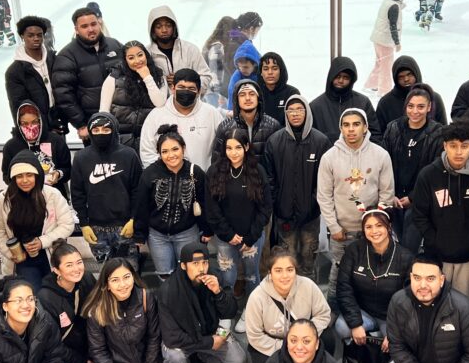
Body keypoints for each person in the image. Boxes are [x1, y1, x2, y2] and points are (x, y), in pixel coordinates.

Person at [317, 109, 395, 303]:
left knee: (369, 273)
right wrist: (334, 227)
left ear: (365, 127)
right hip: (342, 232)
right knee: (338, 272)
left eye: (356, 124)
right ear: (341, 129)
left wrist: (377, 227)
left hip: (371, 232)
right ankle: (333, 310)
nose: (351, 129)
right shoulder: (329, 158)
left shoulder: (381, 155)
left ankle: (365, 310)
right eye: (346, 125)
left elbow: (387, 194)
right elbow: (324, 196)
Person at [159, 243, 246, 363]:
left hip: (208, 333)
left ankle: (198, 357)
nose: (202, 268)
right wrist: (209, 343)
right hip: (183, 341)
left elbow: (230, 312)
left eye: (205, 262)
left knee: (238, 361)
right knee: (173, 357)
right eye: (195, 263)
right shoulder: (168, 291)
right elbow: (171, 338)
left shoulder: (213, 278)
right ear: (183, 265)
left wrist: (218, 293)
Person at [410, 119, 469, 296]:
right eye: (453, 146)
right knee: (435, 300)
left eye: (464, 146)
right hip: (437, 256)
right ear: (445, 146)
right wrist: (435, 240)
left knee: (462, 303)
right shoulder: (429, 174)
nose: (459, 152)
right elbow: (419, 214)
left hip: (468, 257)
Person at [85, 257, 170, 363]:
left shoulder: (146, 297)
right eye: (115, 280)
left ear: (133, 277)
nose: (123, 284)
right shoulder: (97, 309)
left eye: (126, 277)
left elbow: (154, 338)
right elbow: (98, 350)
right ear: (106, 285)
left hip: (145, 362)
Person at [0, 150, 75, 292]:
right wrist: (10, 253)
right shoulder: (4, 198)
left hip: (51, 255)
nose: (24, 180)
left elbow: (67, 225)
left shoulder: (52, 195)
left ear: (38, 175)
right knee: (31, 296)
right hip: (21, 259)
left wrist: (42, 242)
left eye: (29, 175)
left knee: (54, 296)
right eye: (19, 176)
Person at [265, 95, 331, 278]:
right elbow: (270, 179)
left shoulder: (321, 141)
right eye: (291, 110)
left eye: (299, 109)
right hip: (284, 215)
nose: (295, 114)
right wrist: (278, 204)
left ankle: (308, 297)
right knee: (287, 261)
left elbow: (324, 181)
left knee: (308, 259)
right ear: (285, 113)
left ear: (307, 112)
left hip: (311, 215)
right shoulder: (274, 141)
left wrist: (313, 204)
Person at [134, 126, 210, 277]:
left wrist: (207, 229)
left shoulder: (196, 173)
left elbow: (205, 203)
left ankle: (187, 301)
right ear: (159, 154)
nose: (171, 155)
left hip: (187, 233)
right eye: (165, 151)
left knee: (189, 275)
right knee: (165, 275)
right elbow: (141, 206)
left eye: (175, 149)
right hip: (157, 236)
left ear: (183, 149)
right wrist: (139, 234)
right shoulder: (149, 174)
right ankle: (167, 301)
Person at [244, 247, 333, 363]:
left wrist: (306, 340)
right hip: (273, 342)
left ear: (295, 271)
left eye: (290, 270)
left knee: (328, 338)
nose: (285, 276)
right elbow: (255, 335)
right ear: (270, 273)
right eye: (278, 270)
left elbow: (323, 314)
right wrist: (287, 347)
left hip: (304, 337)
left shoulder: (308, 285)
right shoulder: (257, 297)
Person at [206, 128, 272, 298]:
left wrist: (251, 236)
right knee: (228, 276)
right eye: (229, 148)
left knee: (252, 275)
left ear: (247, 147)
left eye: (238, 147)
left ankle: (251, 311)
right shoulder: (214, 172)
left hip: (252, 237)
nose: (233, 153)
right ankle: (227, 311)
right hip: (224, 238)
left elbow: (265, 207)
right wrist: (228, 234)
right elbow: (212, 208)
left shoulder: (258, 171)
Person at [335, 209, 414, 347]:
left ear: (388, 226)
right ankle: (356, 354)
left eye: (379, 225)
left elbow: (410, 297)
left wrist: (395, 331)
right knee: (342, 326)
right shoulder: (354, 251)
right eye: (368, 227)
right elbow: (344, 287)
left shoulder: (405, 257)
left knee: (399, 342)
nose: (374, 231)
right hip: (363, 310)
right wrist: (355, 324)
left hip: (391, 316)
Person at [70, 112, 141, 266]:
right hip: (95, 229)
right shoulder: (81, 157)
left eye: (106, 129)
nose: (100, 133)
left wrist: (134, 219)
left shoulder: (129, 155)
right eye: (96, 130)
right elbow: (77, 193)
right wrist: (84, 224)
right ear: (89, 132)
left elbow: (138, 191)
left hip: (124, 227)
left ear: (114, 130)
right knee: (106, 276)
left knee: (129, 273)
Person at [35, 243, 98, 363]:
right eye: (69, 265)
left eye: (79, 262)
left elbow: (98, 313)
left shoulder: (87, 279)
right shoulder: (45, 299)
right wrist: (82, 361)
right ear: (56, 270)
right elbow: (52, 347)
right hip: (63, 355)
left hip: (87, 345)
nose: (77, 269)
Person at [382, 84, 444, 248]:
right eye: (411, 106)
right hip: (392, 198)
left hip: (420, 201)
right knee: (391, 246)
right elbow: (383, 163)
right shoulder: (393, 128)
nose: (415, 111)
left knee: (410, 247)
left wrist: (412, 197)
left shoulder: (438, 133)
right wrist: (391, 194)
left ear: (429, 107)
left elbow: (435, 171)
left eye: (421, 106)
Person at [53, 4, 123, 142]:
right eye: (84, 26)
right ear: (76, 30)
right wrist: (81, 124)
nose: (91, 29)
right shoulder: (67, 56)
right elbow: (64, 95)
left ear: (99, 23)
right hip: (93, 125)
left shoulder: (115, 45)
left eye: (93, 24)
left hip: (121, 120)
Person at [139, 68, 225, 169]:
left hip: (204, 180)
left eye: (191, 88)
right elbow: (147, 154)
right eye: (181, 87)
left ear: (199, 91)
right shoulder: (156, 116)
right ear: (173, 88)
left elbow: (224, 147)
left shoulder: (212, 114)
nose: (186, 91)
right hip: (167, 181)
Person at [100, 40, 168, 150]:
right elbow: (104, 111)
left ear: (146, 55)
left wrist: (147, 77)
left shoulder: (158, 75)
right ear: (125, 60)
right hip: (120, 140)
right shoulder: (114, 77)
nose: (137, 61)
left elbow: (160, 103)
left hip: (150, 138)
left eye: (140, 55)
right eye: (131, 58)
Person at [6, 15, 65, 136]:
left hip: (57, 123)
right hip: (35, 128)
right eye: (31, 35)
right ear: (22, 36)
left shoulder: (53, 59)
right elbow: (19, 107)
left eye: (39, 35)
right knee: (44, 155)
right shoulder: (15, 71)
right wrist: (40, 128)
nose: (36, 38)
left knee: (60, 153)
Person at [1, 101, 71, 199]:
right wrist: (21, 180)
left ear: (40, 121)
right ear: (18, 124)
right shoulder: (11, 146)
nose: (30, 127)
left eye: (34, 122)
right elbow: (6, 175)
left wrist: (58, 174)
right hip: (24, 198)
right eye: (25, 124)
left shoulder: (56, 141)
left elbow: (67, 169)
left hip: (54, 196)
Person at [310, 56, 382, 144]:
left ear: (351, 80)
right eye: (338, 76)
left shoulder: (363, 102)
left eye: (346, 77)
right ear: (331, 76)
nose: (341, 80)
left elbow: (375, 135)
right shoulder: (316, 106)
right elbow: (312, 139)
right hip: (327, 156)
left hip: (360, 155)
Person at [145, 4, 214, 94]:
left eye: (168, 25)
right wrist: (162, 82)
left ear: (174, 28)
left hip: (191, 105)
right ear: (153, 30)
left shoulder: (190, 50)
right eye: (159, 27)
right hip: (160, 106)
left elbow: (206, 77)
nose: (164, 30)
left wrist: (185, 81)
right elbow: (141, 83)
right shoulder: (146, 54)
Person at [211, 79, 280, 162]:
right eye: (242, 95)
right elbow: (217, 161)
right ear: (237, 99)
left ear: (258, 98)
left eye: (252, 94)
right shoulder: (225, 127)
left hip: (265, 174)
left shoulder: (273, 126)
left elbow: (279, 161)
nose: (247, 98)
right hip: (235, 175)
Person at [376, 56, 447, 133]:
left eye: (409, 75)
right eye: (401, 77)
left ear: (416, 73)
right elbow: (378, 134)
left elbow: (444, 130)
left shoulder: (434, 98)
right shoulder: (386, 103)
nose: (406, 79)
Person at [364, 0, 406, 94]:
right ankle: (384, 90)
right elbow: (393, 25)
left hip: (377, 39)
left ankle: (372, 84)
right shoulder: (394, 7)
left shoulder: (387, 2)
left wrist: (399, 5)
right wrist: (397, 42)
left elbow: (391, 11)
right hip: (385, 41)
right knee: (386, 67)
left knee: (379, 63)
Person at [201, 15, 238, 102]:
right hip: (215, 93)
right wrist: (220, 93)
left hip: (211, 91)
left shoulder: (212, 44)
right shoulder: (217, 47)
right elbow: (214, 72)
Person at [258, 51, 299, 126]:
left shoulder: (292, 93)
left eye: (274, 68)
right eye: (266, 69)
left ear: (281, 71)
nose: (270, 72)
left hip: (285, 136)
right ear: (261, 72)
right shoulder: (256, 93)